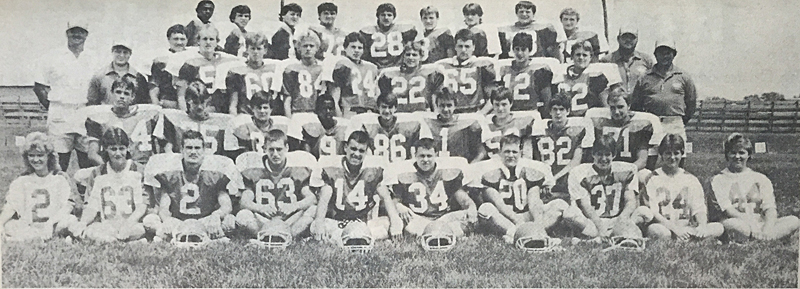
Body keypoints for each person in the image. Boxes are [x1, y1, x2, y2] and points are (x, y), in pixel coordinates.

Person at [144, 130, 241, 243]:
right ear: (182, 150)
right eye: (189, 148)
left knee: (230, 220)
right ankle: (208, 238)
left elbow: (226, 205)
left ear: (204, 151)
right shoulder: (171, 173)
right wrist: (167, 220)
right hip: (179, 221)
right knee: (149, 220)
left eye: (197, 148)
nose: (193, 152)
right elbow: (164, 208)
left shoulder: (214, 174)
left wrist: (216, 215)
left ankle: (176, 237)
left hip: (204, 220)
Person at [309, 131, 403, 248]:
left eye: (361, 151)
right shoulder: (331, 166)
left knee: (388, 223)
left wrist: (395, 222)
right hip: (339, 222)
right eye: (353, 149)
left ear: (366, 152)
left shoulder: (374, 168)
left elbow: (385, 195)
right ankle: (364, 239)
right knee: (315, 226)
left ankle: (342, 240)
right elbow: (324, 196)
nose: (356, 154)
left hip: (365, 222)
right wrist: (319, 223)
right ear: (345, 148)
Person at [474, 134, 566, 243]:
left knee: (559, 204)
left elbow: (534, 203)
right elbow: (499, 204)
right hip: (505, 218)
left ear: (520, 153)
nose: (511, 155)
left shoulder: (530, 169)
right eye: (507, 151)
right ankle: (518, 234)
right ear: (500, 152)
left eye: (514, 152)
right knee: (485, 208)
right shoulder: (491, 171)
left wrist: (538, 223)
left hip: (526, 215)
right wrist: (517, 221)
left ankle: (537, 232)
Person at [709, 133, 800, 242]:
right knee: (735, 226)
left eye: (741, 152)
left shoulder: (760, 178)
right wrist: (751, 224)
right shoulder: (718, 179)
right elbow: (728, 211)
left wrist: (767, 229)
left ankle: (764, 237)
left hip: (760, 222)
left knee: (793, 220)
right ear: (727, 155)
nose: (737, 156)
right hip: (738, 221)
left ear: (749, 155)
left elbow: (770, 208)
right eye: (733, 153)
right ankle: (766, 238)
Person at [34, 20, 100, 172]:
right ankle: (59, 188)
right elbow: (39, 87)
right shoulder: (52, 56)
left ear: (86, 35)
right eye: (73, 31)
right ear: (67, 33)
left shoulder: (94, 57)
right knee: (58, 164)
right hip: (60, 113)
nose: (77, 35)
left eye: (81, 31)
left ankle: (85, 189)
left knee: (88, 163)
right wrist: (53, 107)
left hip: (85, 114)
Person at [68, 128, 153, 242]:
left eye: (121, 148)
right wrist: (83, 223)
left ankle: (109, 239)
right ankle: (119, 240)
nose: (118, 153)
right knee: (91, 230)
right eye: (113, 149)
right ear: (105, 149)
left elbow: (142, 205)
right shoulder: (97, 173)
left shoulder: (138, 171)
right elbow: (91, 206)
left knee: (142, 229)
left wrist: (127, 225)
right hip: (107, 224)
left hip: (132, 223)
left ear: (127, 148)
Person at [637, 134, 724, 240]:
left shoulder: (691, 179)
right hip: (664, 227)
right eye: (668, 153)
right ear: (661, 154)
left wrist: (702, 226)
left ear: (682, 154)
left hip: (687, 227)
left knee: (718, 227)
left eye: (676, 153)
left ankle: (690, 236)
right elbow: (653, 213)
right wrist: (675, 229)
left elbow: (699, 208)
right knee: (658, 231)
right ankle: (687, 238)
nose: (672, 157)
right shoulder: (652, 179)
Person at [235, 130, 318, 242]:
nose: (275, 154)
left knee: (313, 210)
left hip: (290, 220)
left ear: (287, 148)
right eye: (271, 149)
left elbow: (311, 198)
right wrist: (261, 208)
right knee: (243, 215)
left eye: (279, 149)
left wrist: (294, 206)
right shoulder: (254, 170)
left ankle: (284, 236)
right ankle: (268, 235)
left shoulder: (297, 169)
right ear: (264, 149)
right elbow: (244, 202)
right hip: (264, 220)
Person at [386, 138, 477, 238]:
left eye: (429, 156)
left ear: (436, 155)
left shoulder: (446, 173)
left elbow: (464, 200)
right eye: (422, 156)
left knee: (466, 217)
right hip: (418, 219)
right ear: (415, 155)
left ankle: (436, 233)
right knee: (409, 227)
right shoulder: (406, 174)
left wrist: (471, 207)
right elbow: (394, 201)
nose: (425, 160)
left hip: (444, 218)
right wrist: (399, 206)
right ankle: (444, 233)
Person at [0, 132, 79, 241]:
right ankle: (38, 237)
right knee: (10, 225)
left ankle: (27, 238)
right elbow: (11, 205)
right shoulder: (22, 180)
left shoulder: (59, 179)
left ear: (49, 156)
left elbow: (67, 206)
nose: (36, 160)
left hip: (53, 224)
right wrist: (1, 223)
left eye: (40, 155)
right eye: (31, 155)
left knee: (71, 220)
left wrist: (50, 223)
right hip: (30, 225)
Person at [562, 134, 642, 238]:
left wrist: (622, 219)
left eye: (607, 154)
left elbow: (630, 201)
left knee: (644, 212)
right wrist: (600, 227)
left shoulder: (626, 170)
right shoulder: (580, 173)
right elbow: (585, 206)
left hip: (617, 219)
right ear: (593, 154)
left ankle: (599, 236)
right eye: (599, 154)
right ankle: (609, 235)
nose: (603, 159)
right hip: (592, 221)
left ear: (614, 155)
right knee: (569, 213)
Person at [80, 78, 163, 167]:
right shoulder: (100, 118)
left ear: (132, 97)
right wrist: (111, 168)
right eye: (118, 92)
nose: (122, 96)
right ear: (112, 94)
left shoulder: (148, 115)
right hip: (113, 168)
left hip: (143, 165)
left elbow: (163, 146)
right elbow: (92, 154)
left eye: (126, 93)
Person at [630, 38, 697, 143]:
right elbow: (636, 104)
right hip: (651, 123)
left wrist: (680, 120)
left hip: (675, 124)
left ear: (674, 54)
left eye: (668, 53)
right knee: (652, 152)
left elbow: (691, 103)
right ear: (655, 55)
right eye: (661, 53)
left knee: (675, 152)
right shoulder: (645, 77)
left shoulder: (683, 77)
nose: (664, 56)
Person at [530, 94, 593, 203]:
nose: (558, 113)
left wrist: (554, 178)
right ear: (550, 112)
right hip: (546, 181)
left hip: (567, 180)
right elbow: (537, 161)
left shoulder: (577, 131)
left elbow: (575, 161)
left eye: (561, 109)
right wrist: (545, 179)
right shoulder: (540, 131)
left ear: (568, 111)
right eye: (555, 109)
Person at [174, 24, 243, 113]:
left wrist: (232, 111)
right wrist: (184, 113)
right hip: (198, 110)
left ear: (217, 42)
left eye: (211, 39)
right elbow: (181, 96)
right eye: (205, 39)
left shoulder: (225, 61)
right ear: (198, 41)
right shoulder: (190, 63)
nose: (208, 42)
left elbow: (233, 92)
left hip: (220, 109)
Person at [585, 91, 662, 171]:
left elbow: (642, 161)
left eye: (620, 107)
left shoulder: (640, 125)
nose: (616, 112)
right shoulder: (599, 124)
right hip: (604, 168)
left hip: (630, 169)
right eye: (612, 108)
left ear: (628, 106)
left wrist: (627, 172)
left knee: (644, 175)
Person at [348, 93, 432, 163]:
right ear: (378, 107)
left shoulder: (410, 124)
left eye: (390, 107)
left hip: (401, 167)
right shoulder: (368, 125)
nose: (387, 111)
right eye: (384, 107)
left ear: (395, 108)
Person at [155, 85, 233, 157]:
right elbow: (168, 151)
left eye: (202, 102)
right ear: (188, 101)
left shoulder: (221, 122)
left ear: (207, 101)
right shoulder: (175, 119)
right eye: (195, 102)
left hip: (211, 164)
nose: (199, 106)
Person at [432, 28, 497, 114]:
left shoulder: (482, 66)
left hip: (474, 111)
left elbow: (493, 96)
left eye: (467, 46)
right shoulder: (443, 66)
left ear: (473, 47)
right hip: (450, 113)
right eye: (460, 46)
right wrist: (438, 113)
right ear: (455, 47)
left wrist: (481, 114)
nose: (463, 50)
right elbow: (435, 94)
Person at [551, 41, 622, 117]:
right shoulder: (561, 73)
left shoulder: (596, 74)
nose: (581, 58)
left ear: (590, 57)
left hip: (588, 117)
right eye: (578, 54)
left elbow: (604, 104)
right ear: (572, 56)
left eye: (584, 55)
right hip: (566, 117)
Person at [419, 90, 491, 163]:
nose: (445, 109)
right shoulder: (429, 124)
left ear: (455, 106)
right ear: (437, 106)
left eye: (449, 105)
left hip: (460, 164)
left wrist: (470, 165)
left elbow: (481, 151)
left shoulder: (466, 124)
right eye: (442, 105)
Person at [495, 32, 558, 115]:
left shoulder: (538, 71)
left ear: (529, 50)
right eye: (517, 49)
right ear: (513, 50)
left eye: (523, 49)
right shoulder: (505, 70)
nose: (520, 53)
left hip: (530, 113)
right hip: (509, 114)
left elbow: (547, 101)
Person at [225, 32, 282, 115]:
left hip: (268, 115)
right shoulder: (238, 72)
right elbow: (233, 104)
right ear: (247, 49)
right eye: (252, 48)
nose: (255, 52)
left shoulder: (274, 70)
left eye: (259, 49)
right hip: (246, 115)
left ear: (265, 50)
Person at [324, 32, 380, 118]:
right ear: (345, 48)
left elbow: (377, 94)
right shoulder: (342, 65)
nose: (356, 50)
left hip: (370, 111)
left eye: (360, 48)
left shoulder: (372, 67)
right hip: (350, 111)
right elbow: (334, 98)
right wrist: (340, 117)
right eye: (353, 47)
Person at [376, 41, 439, 112]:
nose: (410, 57)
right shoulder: (389, 74)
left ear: (421, 57)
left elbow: (435, 99)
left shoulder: (430, 73)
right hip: (398, 114)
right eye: (408, 54)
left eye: (414, 55)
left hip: (422, 114)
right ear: (403, 56)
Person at [224, 91, 290, 158]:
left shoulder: (282, 124)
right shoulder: (242, 124)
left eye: (265, 108)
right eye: (259, 108)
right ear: (252, 109)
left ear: (271, 109)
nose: (262, 111)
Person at [498, 1, 567, 62]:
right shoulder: (507, 31)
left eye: (527, 12)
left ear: (533, 14)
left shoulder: (543, 30)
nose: (524, 14)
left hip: (537, 62)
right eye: (521, 12)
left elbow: (555, 50)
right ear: (517, 13)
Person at [484, 87, 541, 158]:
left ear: (511, 104)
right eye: (497, 105)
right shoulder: (485, 124)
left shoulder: (522, 123)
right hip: (493, 162)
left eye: (504, 104)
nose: (500, 108)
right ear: (492, 105)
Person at [287, 94, 350, 158]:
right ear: (317, 111)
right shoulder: (310, 128)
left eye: (330, 108)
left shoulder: (343, 128)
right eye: (324, 109)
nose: (328, 111)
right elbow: (307, 155)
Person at [87, 39, 149, 106]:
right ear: (112, 52)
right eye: (118, 52)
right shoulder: (99, 76)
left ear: (130, 54)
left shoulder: (139, 78)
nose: (121, 55)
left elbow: (143, 105)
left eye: (125, 52)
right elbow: (92, 103)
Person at [281, 30, 325, 118]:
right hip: (297, 113)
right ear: (299, 48)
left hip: (317, 114)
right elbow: (287, 99)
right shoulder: (291, 69)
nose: (308, 48)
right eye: (305, 46)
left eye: (311, 46)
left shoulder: (323, 68)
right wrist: (289, 119)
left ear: (317, 48)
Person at [360, 3, 418, 69]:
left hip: (397, 68)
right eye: (383, 15)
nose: (386, 17)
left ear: (394, 17)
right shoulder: (369, 32)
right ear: (378, 16)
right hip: (376, 68)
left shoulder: (402, 30)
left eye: (389, 15)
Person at [599, 26, 654, 95]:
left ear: (637, 40)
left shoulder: (646, 60)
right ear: (618, 39)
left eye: (632, 38)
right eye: (625, 37)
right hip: (615, 100)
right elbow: (600, 88)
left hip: (639, 101)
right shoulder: (607, 60)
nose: (628, 40)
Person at [148, 24, 192, 108]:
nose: (179, 42)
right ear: (169, 39)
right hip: (167, 102)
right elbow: (154, 87)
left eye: (182, 39)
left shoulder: (193, 58)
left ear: (187, 40)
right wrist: (157, 106)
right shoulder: (161, 60)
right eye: (175, 39)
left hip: (191, 103)